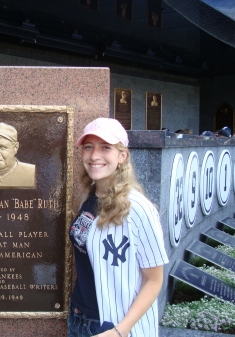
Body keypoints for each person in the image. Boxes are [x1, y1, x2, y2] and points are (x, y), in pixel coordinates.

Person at [68, 117, 168, 337]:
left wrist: (119, 331)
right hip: (78, 318)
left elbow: (154, 280)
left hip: (112, 324)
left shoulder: (139, 209)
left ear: (122, 156)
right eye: (88, 147)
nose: (95, 156)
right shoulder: (89, 196)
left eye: (106, 148)